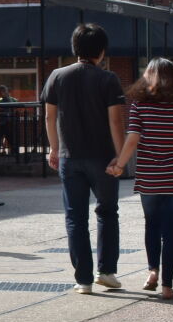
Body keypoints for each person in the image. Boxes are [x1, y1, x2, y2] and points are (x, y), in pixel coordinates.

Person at [41, 23, 127, 294]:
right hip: (103, 156)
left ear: (74, 47)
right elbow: (116, 121)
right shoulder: (108, 79)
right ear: (101, 51)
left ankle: (83, 279)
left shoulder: (57, 75)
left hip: (70, 156)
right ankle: (107, 271)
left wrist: (54, 148)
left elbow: (49, 116)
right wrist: (121, 157)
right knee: (107, 212)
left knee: (75, 218)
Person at [108, 58, 173, 301]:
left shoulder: (140, 106)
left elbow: (132, 139)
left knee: (152, 224)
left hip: (150, 177)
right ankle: (168, 287)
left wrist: (120, 165)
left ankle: (152, 271)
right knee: (171, 231)